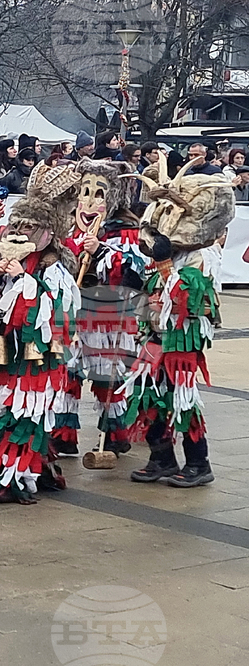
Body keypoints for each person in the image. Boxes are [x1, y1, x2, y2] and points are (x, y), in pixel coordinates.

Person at [122, 161, 235, 488]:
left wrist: (164, 264)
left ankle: (199, 462)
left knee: (182, 400)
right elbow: (155, 292)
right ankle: (161, 457)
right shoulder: (166, 251)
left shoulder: (203, 256)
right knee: (148, 397)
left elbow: (188, 300)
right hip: (155, 337)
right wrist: (139, 282)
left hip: (182, 341)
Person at [0, 181, 81, 504]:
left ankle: (10, 477)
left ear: (47, 234)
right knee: (17, 408)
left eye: (30, 227)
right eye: (16, 225)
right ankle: (42, 467)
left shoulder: (55, 270)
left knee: (28, 412)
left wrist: (21, 279)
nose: (21, 232)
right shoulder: (16, 263)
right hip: (13, 353)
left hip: (40, 358)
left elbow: (49, 315)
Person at [60, 160, 145, 459]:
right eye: (85, 191)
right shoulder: (70, 231)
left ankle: (114, 434)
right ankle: (63, 434)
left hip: (106, 315)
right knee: (66, 374)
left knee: (105, 376)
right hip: (72, 313)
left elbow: (136, 273)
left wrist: (103, 252)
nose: (90, 201)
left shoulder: (126, 233)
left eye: (99, 194)